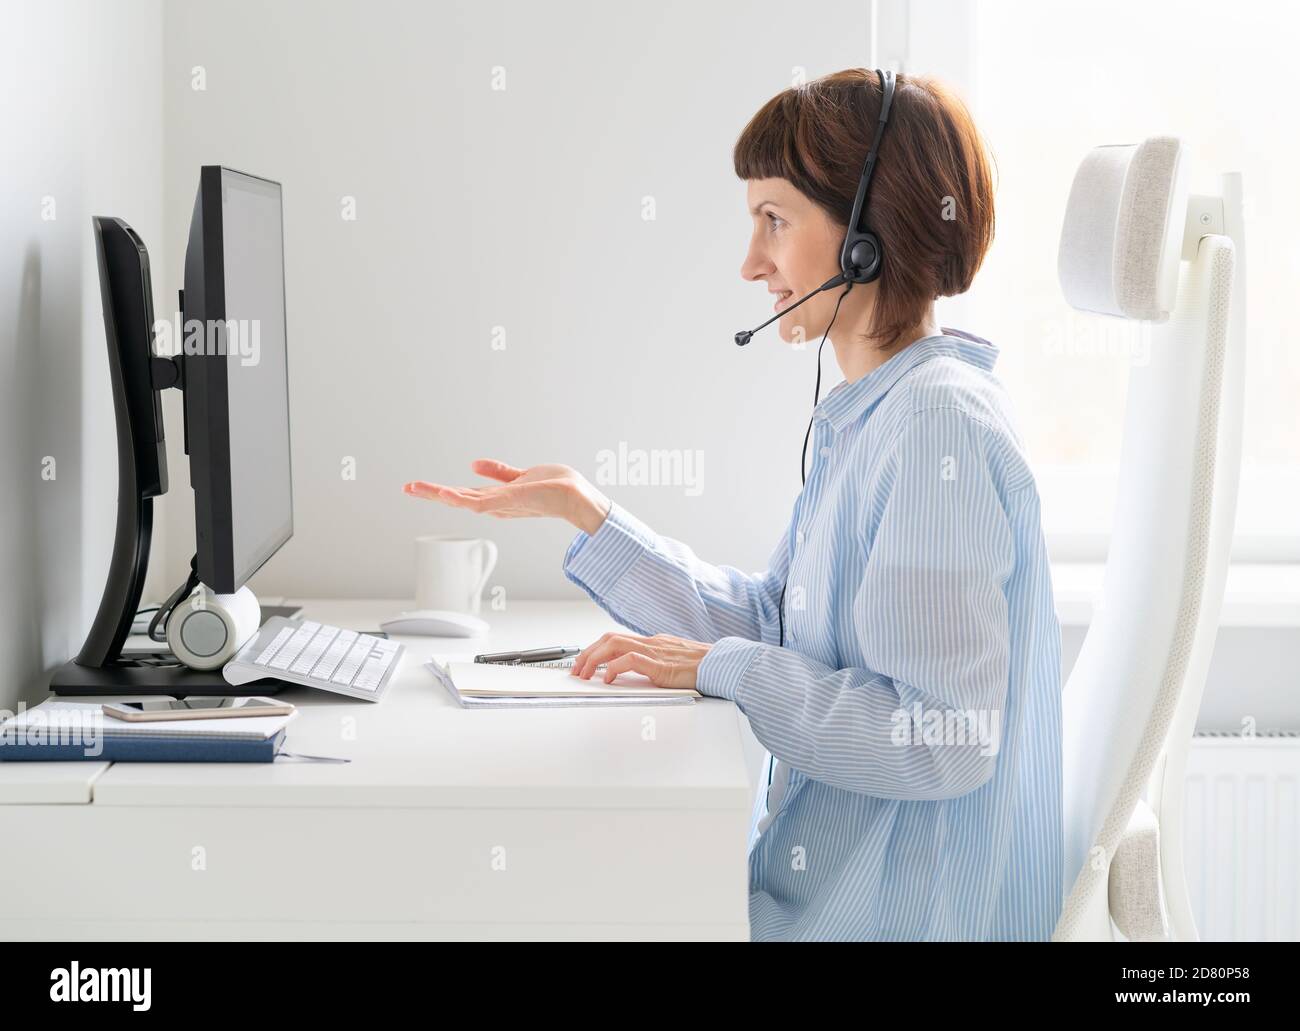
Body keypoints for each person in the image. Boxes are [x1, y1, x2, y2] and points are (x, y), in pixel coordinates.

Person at [404, 68, 1063, 941]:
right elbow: (771, 622)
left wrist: (724, 668)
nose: (751, 262)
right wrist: (590, 515)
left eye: (775, 222)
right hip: (823, 899)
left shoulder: (935, 424)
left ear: (870, 234)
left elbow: (941, 735)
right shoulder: (876, 417)